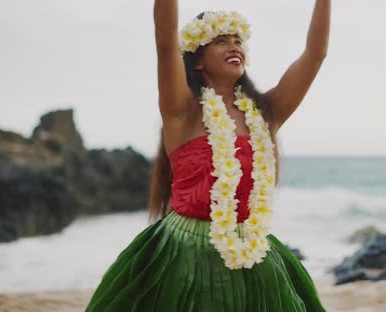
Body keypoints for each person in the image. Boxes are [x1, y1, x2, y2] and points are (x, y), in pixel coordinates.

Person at [85, 0, 330, 310]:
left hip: (252, 255)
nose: (234, 46)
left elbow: (315, 55)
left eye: (238, 40)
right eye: (221, 40)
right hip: (184, 253)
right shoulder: (181, 111)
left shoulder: (266, 113)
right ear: (198, 60)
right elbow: (164, 40)